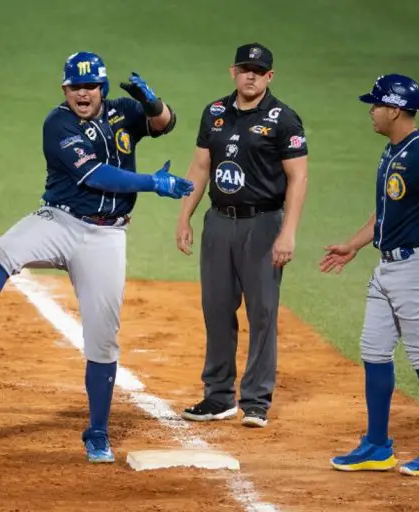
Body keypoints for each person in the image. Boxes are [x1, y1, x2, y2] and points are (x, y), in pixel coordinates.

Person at [0, 52, 192, 462]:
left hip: (107, 236)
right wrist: (153, 182)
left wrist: (152, 103)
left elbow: (165, 124)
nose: (82, 94)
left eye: (90, 86)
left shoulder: (122, 112)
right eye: (74, 87)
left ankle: (97, 433)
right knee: (3, 251)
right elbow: (96, 174)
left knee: (102, 340)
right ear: (64, 90)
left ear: (102, 88)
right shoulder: (58, 124)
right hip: (59, 220)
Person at [322, 74, 419, 476]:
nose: (370, 111)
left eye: (375, 105)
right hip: (387, 267)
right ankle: (377, 445)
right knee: (374, 352)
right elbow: (388, 210)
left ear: (394, 109)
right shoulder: (393, 151)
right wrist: (355, 244)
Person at [177, 43, 309, 428]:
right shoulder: (215, 113)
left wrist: (288, 233)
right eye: (244, 68)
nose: (250, 75)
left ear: (270, 76)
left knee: (262, 312)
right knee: (216, 309)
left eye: (259, 70)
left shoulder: (284, 119)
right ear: (232, 71)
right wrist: (184, 214)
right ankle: (218, 397)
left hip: (263, 223)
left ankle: (255, 401)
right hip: (218, 221)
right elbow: (200, 167)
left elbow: (298, 177)